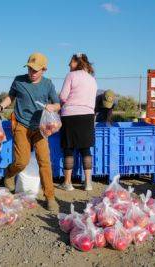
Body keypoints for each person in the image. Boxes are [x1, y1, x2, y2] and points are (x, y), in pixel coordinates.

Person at [0, 52, 60, 211]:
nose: (32, 73)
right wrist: (0, 107)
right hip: (21, 125)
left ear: (44, 69)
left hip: (40, 128)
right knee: (22, 161)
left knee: (44, 160)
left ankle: (49, 196)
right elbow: (10, 97)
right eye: (30, 69)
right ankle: (9, 173)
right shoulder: (18, 80)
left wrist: (53, 107)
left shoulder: (48, 84)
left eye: (35, 70)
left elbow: (57, 104)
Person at [58, 53, 98, 191]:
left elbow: (63, 96)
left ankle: (67, 183)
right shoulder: (92, 79)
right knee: (85, 149)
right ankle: (88, 183)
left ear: (77, 62)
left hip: (70, 116)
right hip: (87, 116)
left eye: (71, 62)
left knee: (68, 149)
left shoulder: (71, 75)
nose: (69, 65)